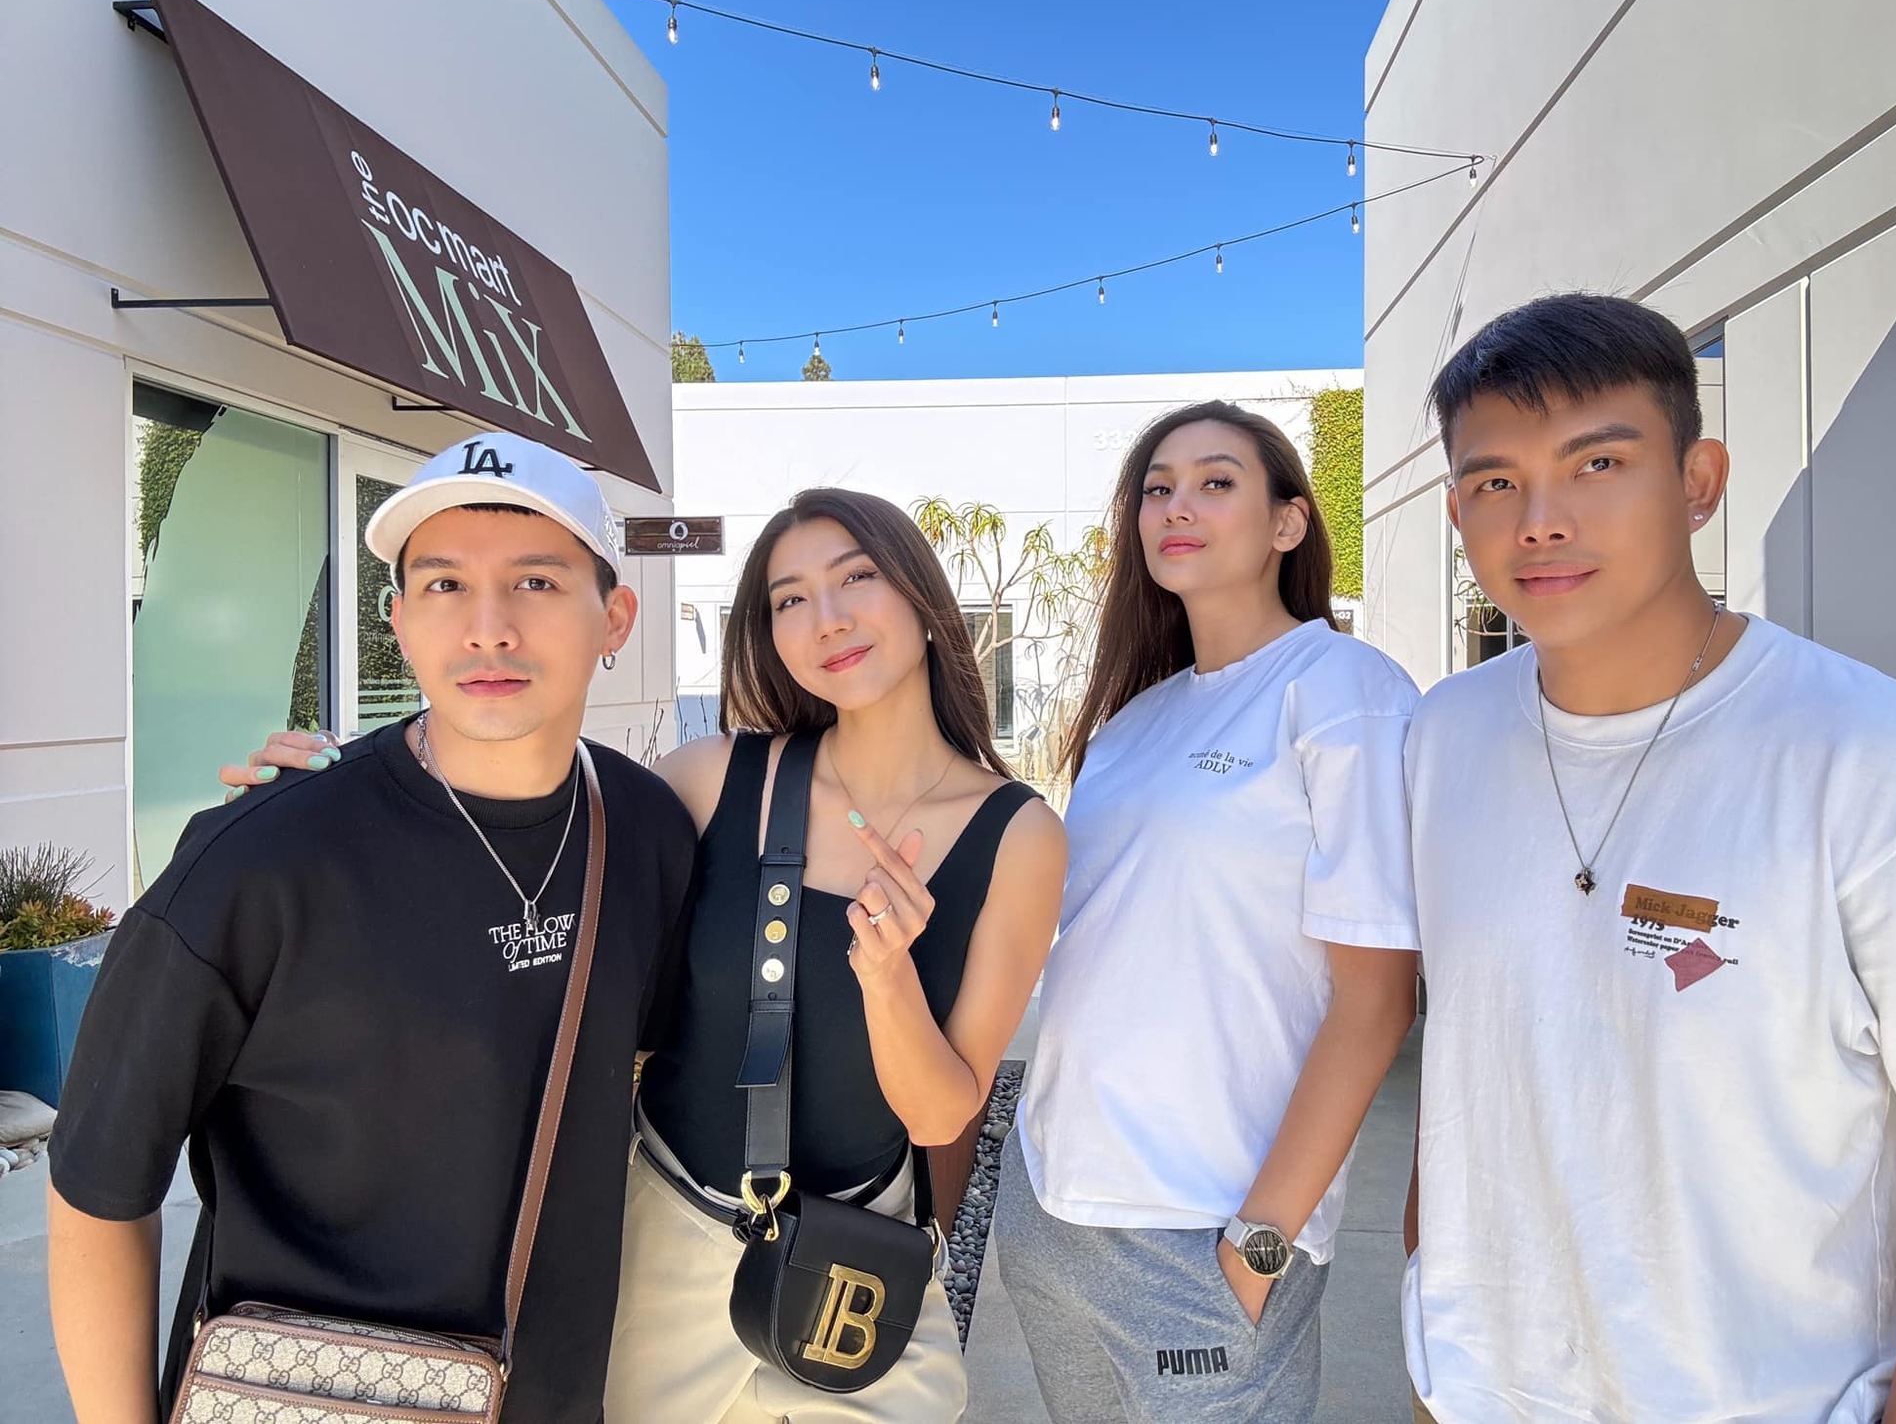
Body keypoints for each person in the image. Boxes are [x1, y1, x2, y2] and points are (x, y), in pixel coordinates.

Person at [226, 486, 1067, 1424]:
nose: (827, 619)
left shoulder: (1018, 835)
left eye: (856, 577)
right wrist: (334, 791)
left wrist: (886, 975)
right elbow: (509, 828)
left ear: (921, 595)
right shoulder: (715, 779)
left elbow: (941, 1111)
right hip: (667, 1243)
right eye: (789, 598)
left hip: (853, 1275)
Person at [1402, 293, 1896, 1423]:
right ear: (1456, 512)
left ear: (1698, 481)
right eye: (1495, 482)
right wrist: (1437, 1328)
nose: (1540, 521)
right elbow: (1476, 1051)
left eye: (1597, 464)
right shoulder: (1441, 738)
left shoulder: (1887, 765)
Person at [48, 432, 699, 1423]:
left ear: (614, 617)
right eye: (443, 586)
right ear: (396, 620)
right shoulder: (261, 857)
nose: (487, 628)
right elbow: (100, 1186)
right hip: (298, 1396)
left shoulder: (646, 832)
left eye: (535, 582)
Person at [994, 401, 1423, 1424]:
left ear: (1286, 522)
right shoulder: (1132, 721)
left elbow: (1375, 999)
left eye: (1215, 482)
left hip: (1208, 1228)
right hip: (1054, 1204)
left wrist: (1260, 1243)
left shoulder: (1343, 691)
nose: (1176, 506)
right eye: (1156, 489)